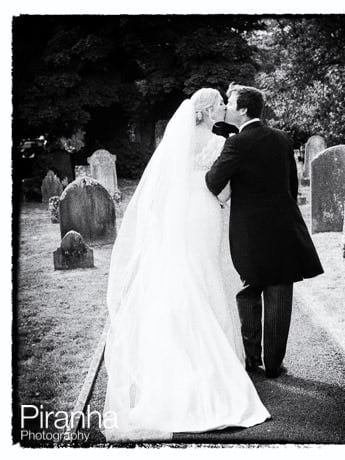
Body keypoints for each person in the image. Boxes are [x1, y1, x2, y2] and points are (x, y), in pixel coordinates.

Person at [103, 88, 270, 441]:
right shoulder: (218, 141)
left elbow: (168, 187)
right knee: (206, 275)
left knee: (187, 273)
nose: (224, 108)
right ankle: (214, 359)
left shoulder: (178, 143)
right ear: (208, 111)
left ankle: (173, 361)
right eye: (220, 105)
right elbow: (218, 184)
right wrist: (228, 199)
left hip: (182, 216)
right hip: (206, 212)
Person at [206, 84, 324, 379]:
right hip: (284, 230)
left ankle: (251, 358)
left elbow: (213, 182)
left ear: (243, 109)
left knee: (249, 289)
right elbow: (292, 187)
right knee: (280, 293)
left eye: (230, 102)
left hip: (249, 235)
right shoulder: (282, 139)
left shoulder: (236, 143)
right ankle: (274, 364)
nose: (226, 107)